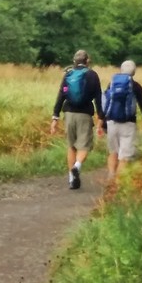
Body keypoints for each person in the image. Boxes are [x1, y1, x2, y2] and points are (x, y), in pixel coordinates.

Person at [50, 49, 105, 190]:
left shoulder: (68, 74)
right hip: (85, 114)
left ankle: (71, 179)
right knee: (85, 145)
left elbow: (61, 95)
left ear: (75, 61)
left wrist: (55, 117)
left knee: (71, 146)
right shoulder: (92, 75)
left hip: (68, 113)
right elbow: (98, 98)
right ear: (87, 61)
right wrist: (101, 117)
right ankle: (77, 166)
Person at [102, 60, 142, 180]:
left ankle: (111, 176)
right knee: (124, 157)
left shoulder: (112, 83)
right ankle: (117, 185)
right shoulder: (136, 86)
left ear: (121, 69)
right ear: (133, 72)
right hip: (128, 124)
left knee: (113, 152)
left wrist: (103, 122)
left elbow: (107, 103)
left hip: (111, 122)